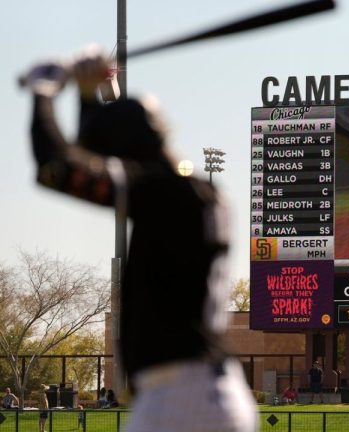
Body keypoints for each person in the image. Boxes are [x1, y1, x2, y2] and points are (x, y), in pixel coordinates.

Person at [23, 49, 256, 432]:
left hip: (185, 396)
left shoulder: (169, 194)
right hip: (194, 391)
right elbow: (98, 155)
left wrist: (43, 91)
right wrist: (88, 91)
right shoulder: (188, 190)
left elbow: (58, 167)